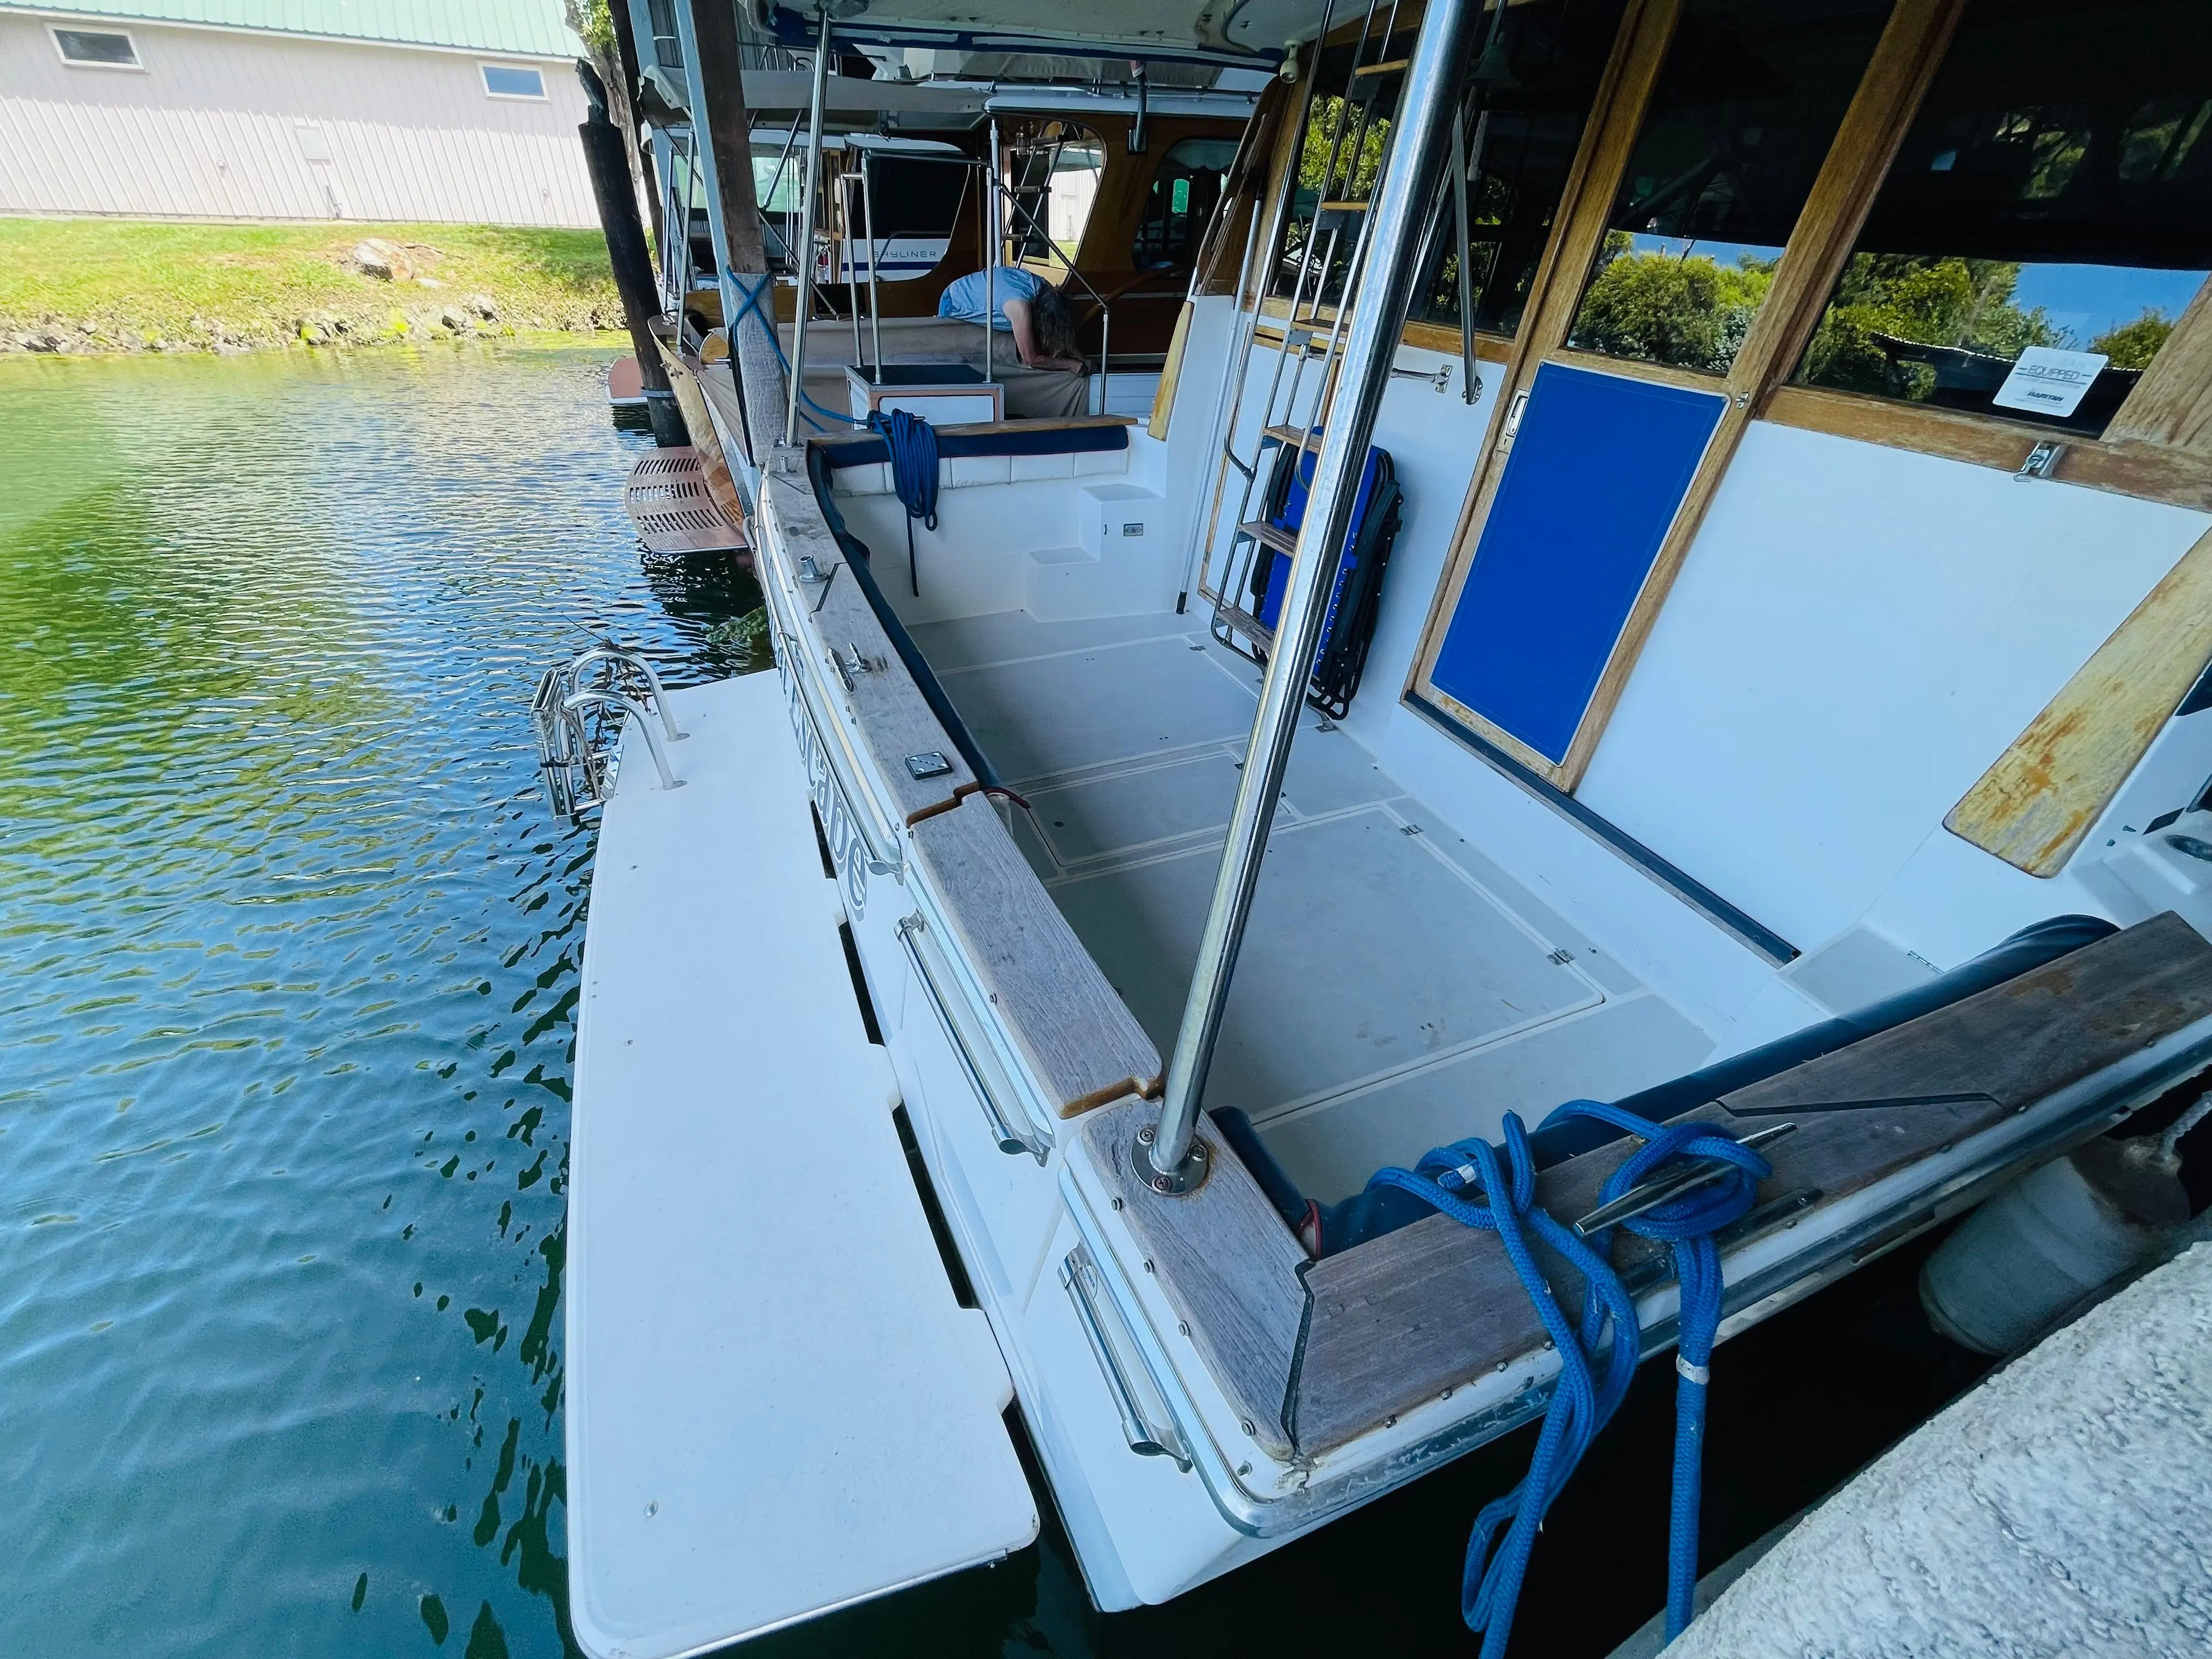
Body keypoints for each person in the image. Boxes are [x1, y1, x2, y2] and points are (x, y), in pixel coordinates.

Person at [936, 264, 1087, 374]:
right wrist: (1070, 365)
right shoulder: (1019, 308)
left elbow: (1060, 330)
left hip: (969, 286)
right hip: (954, 301)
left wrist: (1080, 356)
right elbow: (1031, 360)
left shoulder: (1042, 285)